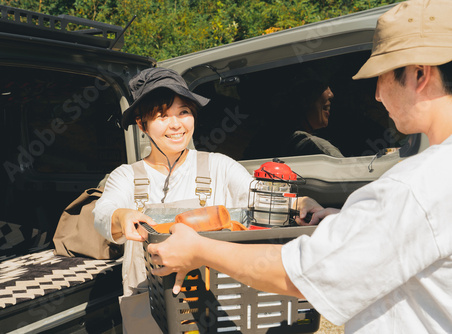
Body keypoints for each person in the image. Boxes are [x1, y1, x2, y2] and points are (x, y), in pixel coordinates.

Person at [147, 1, 452, 333]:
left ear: (420, 74)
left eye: (380, 78)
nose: (377, 95)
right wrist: (351, 225)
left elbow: (298, 274)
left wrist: (199, 249)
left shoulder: (416, 186)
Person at [93, 67, 320, 333]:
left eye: (183, 112)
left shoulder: (219, 166)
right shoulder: (126, 176)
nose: (176, 124)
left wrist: (302, 203)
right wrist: (121, 216)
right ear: (142, 124)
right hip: (152, 305)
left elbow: (259, 196)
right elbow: (102, 214)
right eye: (161, 116)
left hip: (213, 304)